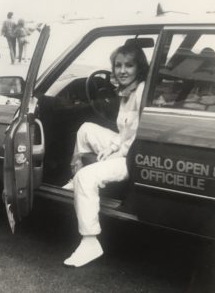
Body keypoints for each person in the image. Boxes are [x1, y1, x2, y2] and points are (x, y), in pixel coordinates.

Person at [63, 44, 149, 267]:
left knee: (87, 178)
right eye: (118, 65)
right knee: (85, 129)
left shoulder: (141, 91)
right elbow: (127, 131)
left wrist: (116, 152)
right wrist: (112, 146)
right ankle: (75, 178)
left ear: (139, 68)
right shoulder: (127, 90)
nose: (122, 70)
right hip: (125, 147)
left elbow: (139, 135)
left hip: (134, 158)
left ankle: (90, 242)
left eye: (129, 65)